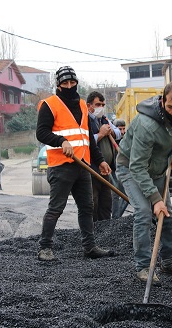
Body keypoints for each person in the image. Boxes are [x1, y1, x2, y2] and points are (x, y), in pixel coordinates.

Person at [115, 81, 172, 285]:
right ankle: (143, 267)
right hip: (131, 169)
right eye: (170, 107)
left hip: (158, 169)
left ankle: (167, 262)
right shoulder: (146, 125)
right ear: (162, 101)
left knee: (166, 216)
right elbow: (137, 167)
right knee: (143, 212)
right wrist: (155, 199)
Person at [35, 66, 115, 261]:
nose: (69, 86)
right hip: (61, 165)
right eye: (65, 83)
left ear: (76, 83)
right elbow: (41, 132)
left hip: (83, 165)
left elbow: (87, 137)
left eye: (72, 82)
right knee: (56, 207)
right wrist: (61, 141)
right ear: (58, 85)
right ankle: (44, 248)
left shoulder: (80, 104)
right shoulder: (49, 104)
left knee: (87, 206)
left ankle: (90, 247)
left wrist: (100, 161)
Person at [86, 91, 121, 221]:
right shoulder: (85, 121)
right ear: (89, 105)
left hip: (107, 169)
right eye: (97, 104)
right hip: (92, 169)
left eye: (102, 104)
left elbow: (118, 133)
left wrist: (110, 130)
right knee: (93, 201)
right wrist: (100, 134)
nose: (100, 107)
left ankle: (106, 229)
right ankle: (93, 229)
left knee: (106, 201)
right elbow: (85, 143)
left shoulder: (104, 120)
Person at [111, 118, 129, 219]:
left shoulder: (125, 141)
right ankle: (114, 218)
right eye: (119, 129)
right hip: (112, 170)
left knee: (126, 195)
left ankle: (117, 217)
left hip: (123, 171)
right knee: (114, 194)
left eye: (123, 129)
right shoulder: (110, 140)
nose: (122, 132)